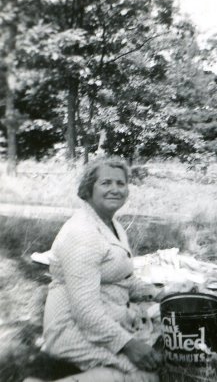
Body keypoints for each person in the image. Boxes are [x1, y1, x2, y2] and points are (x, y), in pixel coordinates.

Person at [35, 158, 162, 382]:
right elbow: (85, 311)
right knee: (145, 375)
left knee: (166, 344)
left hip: (107, 318)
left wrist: (159, 294)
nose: (115, 189)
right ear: (88, 189)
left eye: (121, 184)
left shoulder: (111, 224)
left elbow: (124, 277)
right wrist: (127, 345)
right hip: (72, 328)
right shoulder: (82, 233)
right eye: (106, 183)